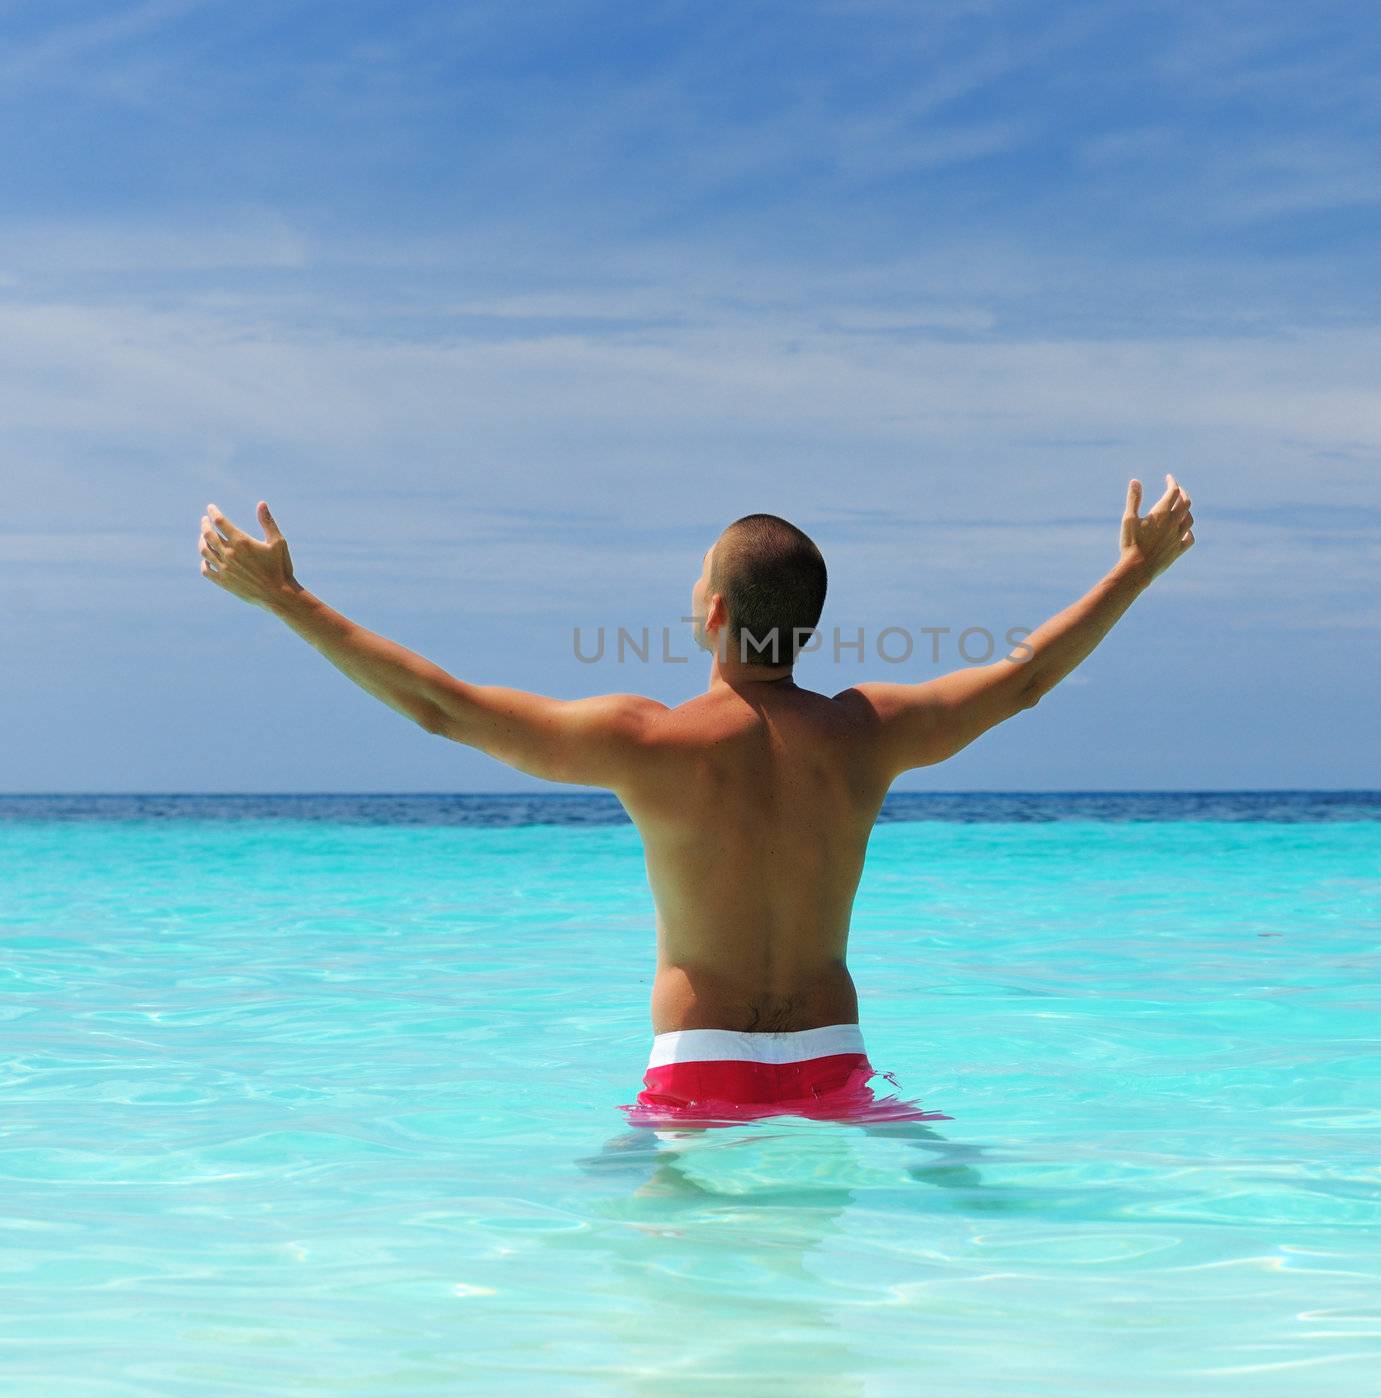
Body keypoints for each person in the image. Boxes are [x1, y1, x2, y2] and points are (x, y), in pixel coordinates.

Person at [198, 476, 1195, 1127]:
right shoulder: (869, 730)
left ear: (715, 613)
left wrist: (287, 600)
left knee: (682, 1327)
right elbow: (1023, 679)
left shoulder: (652, 741)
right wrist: (1134, 568)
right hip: (834, 1063)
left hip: (697, 1066)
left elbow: (442, 710)